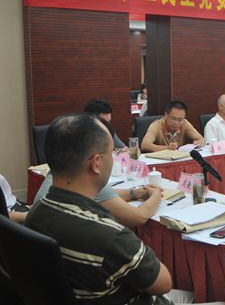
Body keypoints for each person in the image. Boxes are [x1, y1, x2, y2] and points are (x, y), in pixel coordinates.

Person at [26, 113, 174, 305]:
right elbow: (164, 283)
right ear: (96, 163)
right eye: (111, 153)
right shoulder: (109, 235)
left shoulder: (36, 212)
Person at [34, 118, 163, 228]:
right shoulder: (112, 237)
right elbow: (138, 217)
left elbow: (101, 195)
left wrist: (133, 193)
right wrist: (156, 195)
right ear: (96, 161)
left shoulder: (60, 175)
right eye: (111, 152)